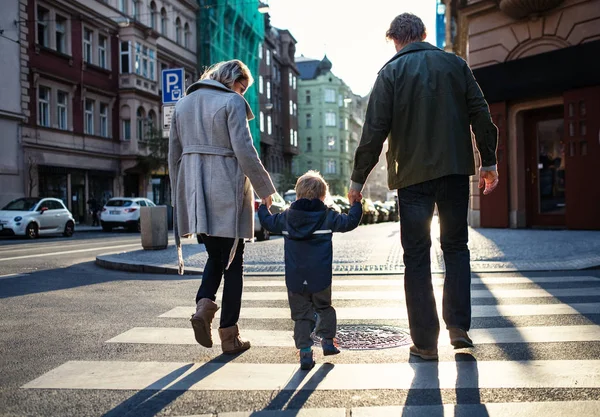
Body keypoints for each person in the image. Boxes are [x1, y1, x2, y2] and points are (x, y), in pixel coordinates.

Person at [349, 13, 499, 361]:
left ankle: (426, 343)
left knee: (416, 257)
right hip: (454, 171)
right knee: (456, 247)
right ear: (423, 34)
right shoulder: (454, 64)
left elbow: (374, 132)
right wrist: (488, 162)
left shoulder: (389, 73)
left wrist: (358, 180)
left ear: (396, 40)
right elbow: (481, 113)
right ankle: (459, 328)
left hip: (411, 176)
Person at [168, 60, 276, 355]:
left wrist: (180, 198)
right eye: (242, 88)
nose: (242, 94)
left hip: (195, 191)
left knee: (216, 256)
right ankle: (229, 334)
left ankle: (204, 306)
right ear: (231, 80)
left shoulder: (183, 104)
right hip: (225, 188)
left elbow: (173, 155)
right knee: (233, 262)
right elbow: (244, 149)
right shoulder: (232, 102)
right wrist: (266, 190)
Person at [258, 171, 363, 370]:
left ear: (298, 195)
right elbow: (350, 222)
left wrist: (265, 206)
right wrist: (355, 204)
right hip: (321, 277)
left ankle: (305, 352)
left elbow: (267, 222)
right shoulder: (327, 216)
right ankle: (328, 342)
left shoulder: (286, 217)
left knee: (301, 315)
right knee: (324, 308)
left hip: (296, 278)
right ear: (323, 196)